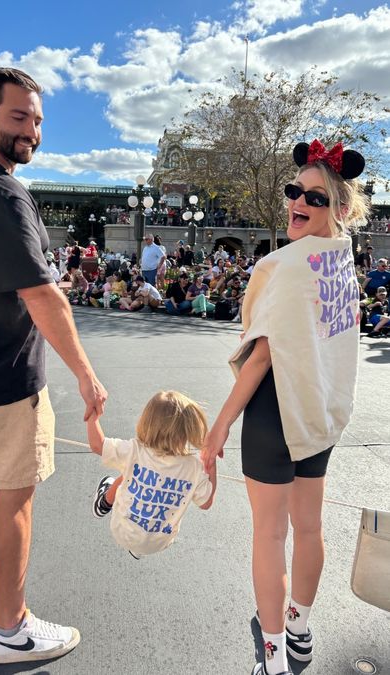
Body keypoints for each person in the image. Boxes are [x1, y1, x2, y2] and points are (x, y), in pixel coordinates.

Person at [0, 67, 107, 664]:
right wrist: (87, 375)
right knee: (16, 494)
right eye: (18, 117)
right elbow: (43, 295)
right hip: (2, 376)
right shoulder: (1, 190)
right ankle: (11, 629)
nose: (31, 131)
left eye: (37, 120)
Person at [202, 139, 369, 675]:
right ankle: (297, 625)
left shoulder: (287, 264)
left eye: (314, 198)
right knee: (311, 527)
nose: (297, 202)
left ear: (340, 208)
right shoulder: (344, 260)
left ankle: (272, 658)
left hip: (276, 411)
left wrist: (219, 426)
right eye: (294, 191)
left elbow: (260, 357)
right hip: (320, 412)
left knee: (270, 534)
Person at [87, 391, 217, 558]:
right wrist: (210, 463)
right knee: (135, 472)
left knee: (131, 472)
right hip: (159, 542)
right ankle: (138, 543)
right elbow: (206, 503)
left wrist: (93, 414)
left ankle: (104, 502)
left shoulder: (135, 450)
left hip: (122, 531)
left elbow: (97, 445)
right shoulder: (194, 467)